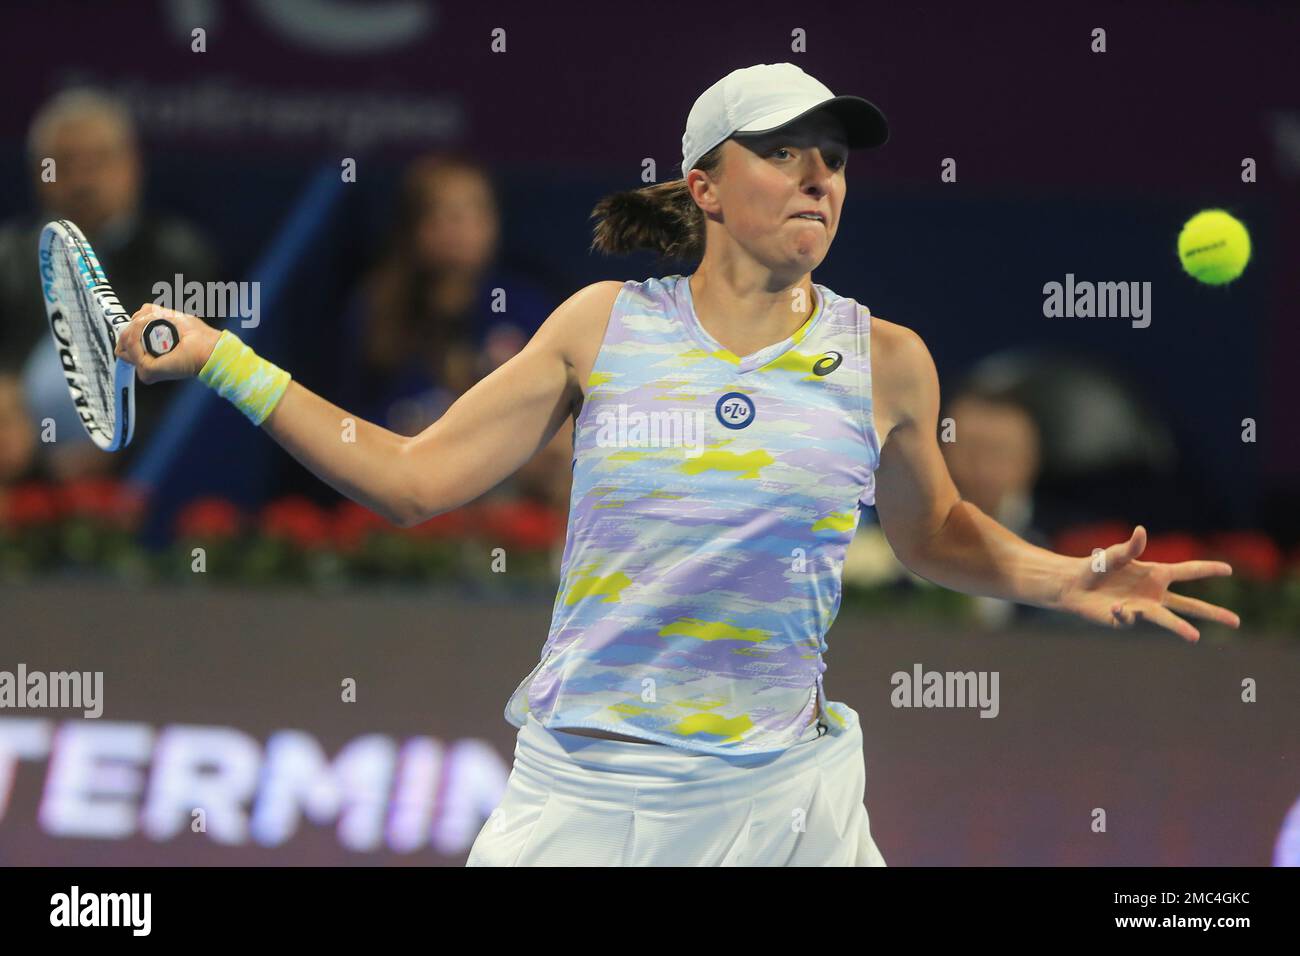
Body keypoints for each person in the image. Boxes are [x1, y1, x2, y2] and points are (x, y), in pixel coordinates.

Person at [111, 63, 1241, 866]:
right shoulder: (602, 326)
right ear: (703, 184)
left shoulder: (886, 359)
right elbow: (410, 478)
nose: (819, 177)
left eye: (834, 159)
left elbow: (931, 530)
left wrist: (1062, 576)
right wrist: (225, 358)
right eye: (785, 153)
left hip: (786, 800)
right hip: (587, 795)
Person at [0, 87, 220, 479]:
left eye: (99, 161)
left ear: (132, 167)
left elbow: (193, 388)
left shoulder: (179, 259)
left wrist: (121, 448)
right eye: (65, 164)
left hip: (137, 472)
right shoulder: (8, 257)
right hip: (18, 468)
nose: (83, 180)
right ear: (38, 172)